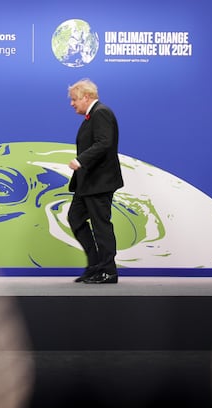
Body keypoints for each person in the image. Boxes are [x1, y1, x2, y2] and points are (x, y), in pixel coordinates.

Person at [66, 78, 123, 284]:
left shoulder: (101, 113)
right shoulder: (92, 116)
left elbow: (105, 143)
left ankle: (109, 271)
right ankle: (95, 265)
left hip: (100, 182)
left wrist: (80, 160)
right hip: (87, 184)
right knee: (75, 218)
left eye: (74, 99)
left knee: (101, 226)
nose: (72, 104)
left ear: (86, 97)